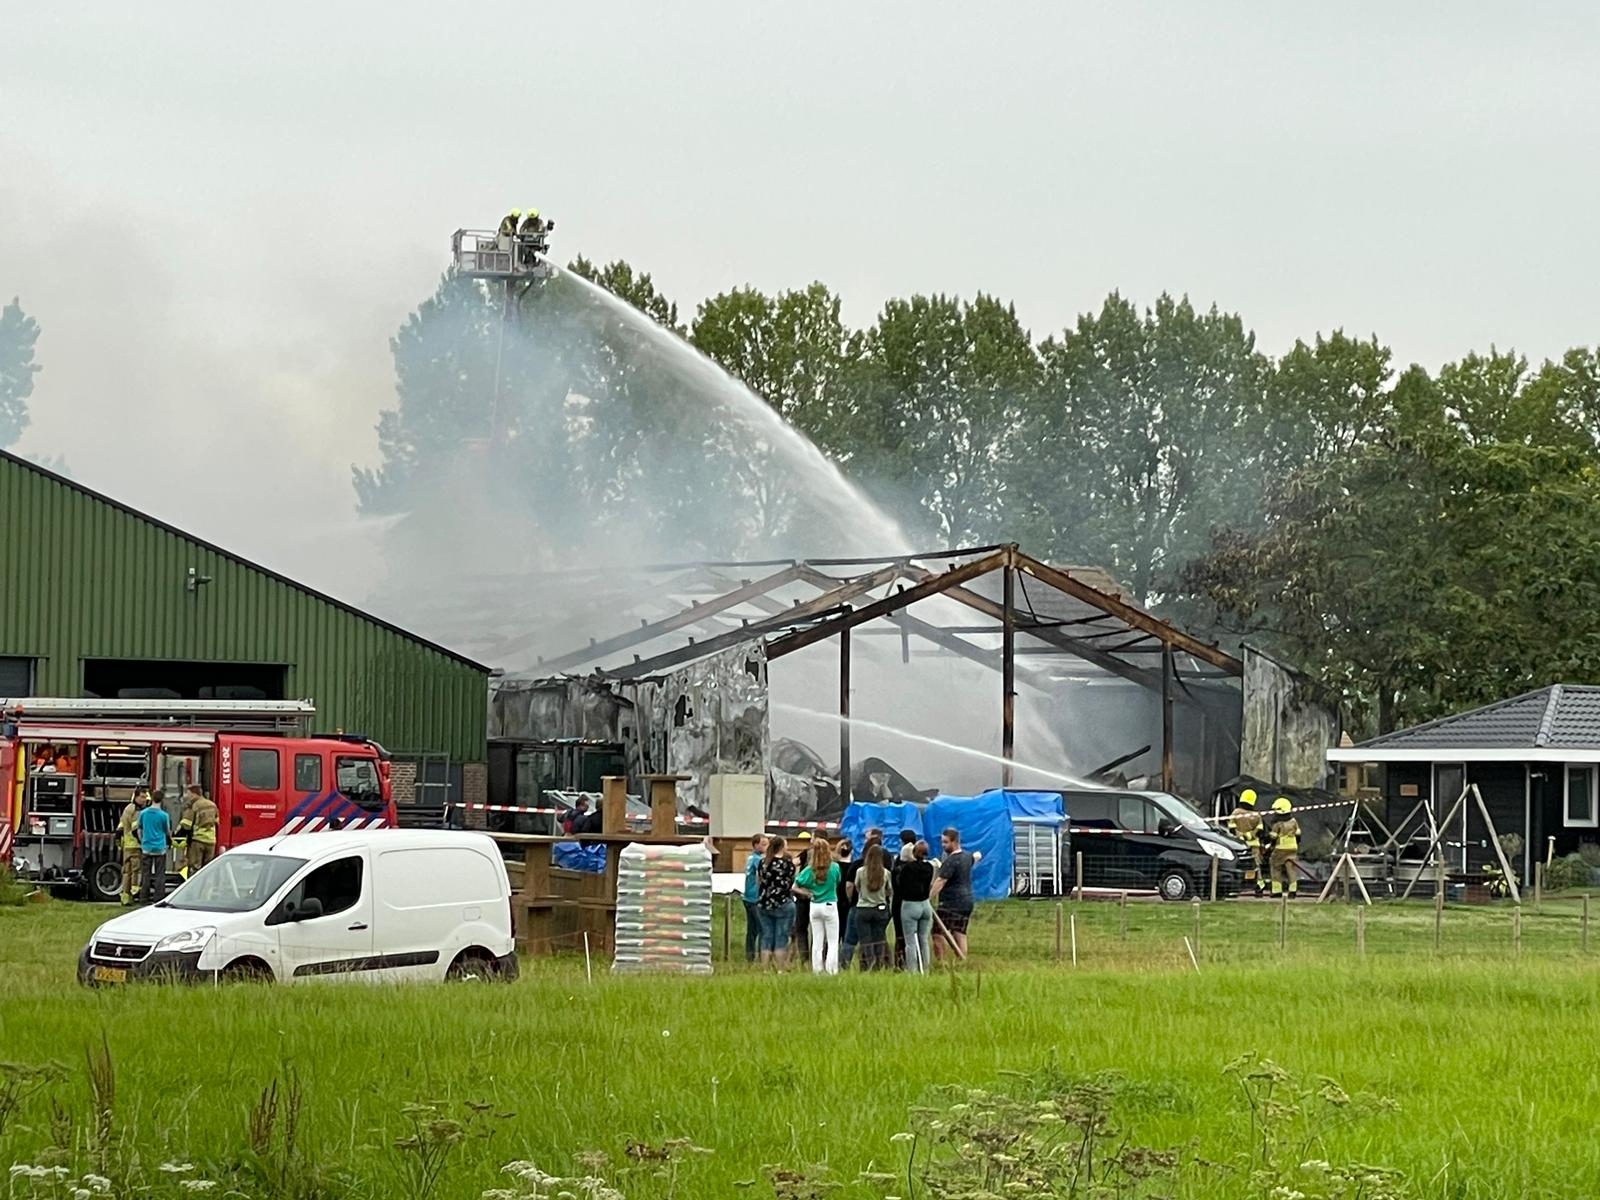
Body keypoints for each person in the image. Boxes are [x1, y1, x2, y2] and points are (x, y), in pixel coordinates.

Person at [793, 835, 842, 975]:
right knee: (832, 941)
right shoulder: (834, 867)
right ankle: (831, 970)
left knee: (817, 940)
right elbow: (837, 882)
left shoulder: (809, 870)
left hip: (814, 905)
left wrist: (807, 893)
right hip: (829, 903)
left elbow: (795, 885)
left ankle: (817, 969)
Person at [931, 826, 981, 960]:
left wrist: (928, 897)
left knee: (937, 933)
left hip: (951, 902)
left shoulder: (951, 861)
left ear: (955, 842)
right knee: (959, 932)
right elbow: (977, 856)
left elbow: (940, 881)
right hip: (967, 900)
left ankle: (940, 962)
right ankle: (962, 960)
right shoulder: (966, 857)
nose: (943, 845)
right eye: (942, 842)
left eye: (946, 842)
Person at [755, 836, 797, 969]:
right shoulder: (787, 865)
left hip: (764, 902)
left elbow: (759, 881)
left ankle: (765, 969)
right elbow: (790, 884)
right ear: (782, 847)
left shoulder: (763, 863)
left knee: (766, 936)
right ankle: (780, 969)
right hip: (782, 902)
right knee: (781, 937)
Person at [851, 844, 894, 970]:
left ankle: (868, 963)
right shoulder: (885, 873)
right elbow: (889, 891)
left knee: (865, 940)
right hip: (880, 908)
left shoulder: (860, 871)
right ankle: (879, 963)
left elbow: (857, 887)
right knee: (879, 938)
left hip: (863, 909)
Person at [897, 840, 936, 973]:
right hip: (925, 904)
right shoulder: (930, 867)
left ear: (913, 853)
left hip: (910, 905)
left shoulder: (908, 868)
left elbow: (900, 883)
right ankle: (925, 969)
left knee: (910, 942)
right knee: (923, 939)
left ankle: (912, 971)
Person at [136, 789, 173, 904]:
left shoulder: (143, 813)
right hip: (159, 848)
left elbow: (139, 829)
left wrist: (142, 841)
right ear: (162, 800)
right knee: (159, 874)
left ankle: (143, 898)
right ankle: (158, 898)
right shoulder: (164, 815)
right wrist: (169, 840)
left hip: (146, 847)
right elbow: (167, 831)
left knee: (146, 874)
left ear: (151, 798)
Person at [1229, 788, 1266, 896]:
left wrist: (1239, 835)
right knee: (1256, 866)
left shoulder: (1236, 813)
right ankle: (1259, 885)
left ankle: (1235, 887)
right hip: (1254, 845)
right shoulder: (1257, 815)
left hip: (1238, 845)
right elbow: (1261, 830)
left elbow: (1231, 828)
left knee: (1237, 865)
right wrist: (1251, 835)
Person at [178, 784, 219, 878]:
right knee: (207, 868)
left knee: (195, 867)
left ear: (194, 794)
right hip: (211, 840)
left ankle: (194, 890)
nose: (188, 796)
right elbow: (217, 821)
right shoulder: (212, 805)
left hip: (198, 840)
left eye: (189, 794)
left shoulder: (194, 805)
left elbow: (186, 825)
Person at [116, 789, 148, 906]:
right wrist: (142, 842)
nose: (144, 800)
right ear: (136, 797)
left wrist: (119, 840)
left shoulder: (127, 808)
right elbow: (135, 828)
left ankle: (125, 897)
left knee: (126, 872)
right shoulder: (136, 810)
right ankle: (134, 892)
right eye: (142, 797)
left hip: (127, 846)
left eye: (145, 797)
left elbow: (120, 827)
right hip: (135, 845)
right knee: (135, 870)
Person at [891, 827, 917, 969]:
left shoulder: (899, 867)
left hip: (899, 902)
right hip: (916, 902)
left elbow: (894, 882)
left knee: (900, 933)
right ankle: (916, 961)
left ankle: (900, 962)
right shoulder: (923, 865)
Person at [742, 833, 769, 963]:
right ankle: (762, 957)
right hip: (755, 897)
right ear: (756, 845)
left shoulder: (750, 858)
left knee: (751, 929)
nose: (766, 847)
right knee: (763, 928)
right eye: (763, 844)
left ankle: (750, 956)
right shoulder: (758, 860)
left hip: (747, 896)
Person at [1268, 798, 1301, 898]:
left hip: (1280, 848)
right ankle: (1293, 891)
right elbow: (1298, 834)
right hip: (1293, 847)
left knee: (1275, 867)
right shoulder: (1294, 821)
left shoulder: (1277, 824)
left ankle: (1277, 891)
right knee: (1291, 869)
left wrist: (1271, 845)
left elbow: (1273, 837)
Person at [835, 837, 858, 968]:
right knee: (846, 933)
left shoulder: (834, 867)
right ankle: (844, 960)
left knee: (833, 935)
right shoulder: (854, 867)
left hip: (835, 902)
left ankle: (830, 959)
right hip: (848, 903)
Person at [791, 831, 812, 957]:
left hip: (803, 898)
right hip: (820, 898)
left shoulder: (806, 854)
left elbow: (794, 862)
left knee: (801, 929)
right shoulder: (831, 862)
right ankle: (817, 958)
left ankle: (804, 957)